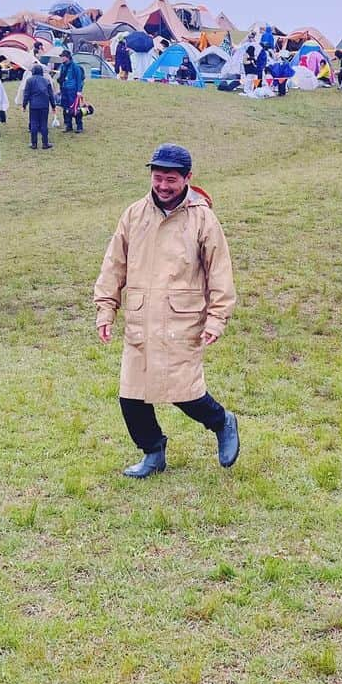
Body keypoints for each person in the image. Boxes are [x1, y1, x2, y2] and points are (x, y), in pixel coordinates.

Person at [94, 144, 240, 477]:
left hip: (182, 321)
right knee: (131, 398)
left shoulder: (203, 218)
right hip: (141, 321)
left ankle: (222, 422)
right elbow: (114, 264)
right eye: (158, 178)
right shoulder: (134, 214)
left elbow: (220, 272)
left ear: (187, 178)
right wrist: (106, 309)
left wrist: (217, 319)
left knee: (183, 393)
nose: (162, 186)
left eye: (170, 179)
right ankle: (153, 452)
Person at [22, 63, 56, 150]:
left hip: (33, 105)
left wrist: (24, 105)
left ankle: (34, 144)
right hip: (44, 105)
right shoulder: (46, 81)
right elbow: (51, 94)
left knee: (34, 124)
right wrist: (53, 106)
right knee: (44, 124)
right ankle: (45, 143)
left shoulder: (29, 81)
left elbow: (26, 94)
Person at [57, 49, 85, 133]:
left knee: (75, 108)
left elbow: (79, 79)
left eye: (63, 56)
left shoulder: (75, 67)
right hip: (64, 89)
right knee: (65, 108)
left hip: (72, 91)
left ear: (68, 57)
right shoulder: (62, 66)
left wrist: (79, 91)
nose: (62, 58)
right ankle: (68, 125)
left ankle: (79, 126)